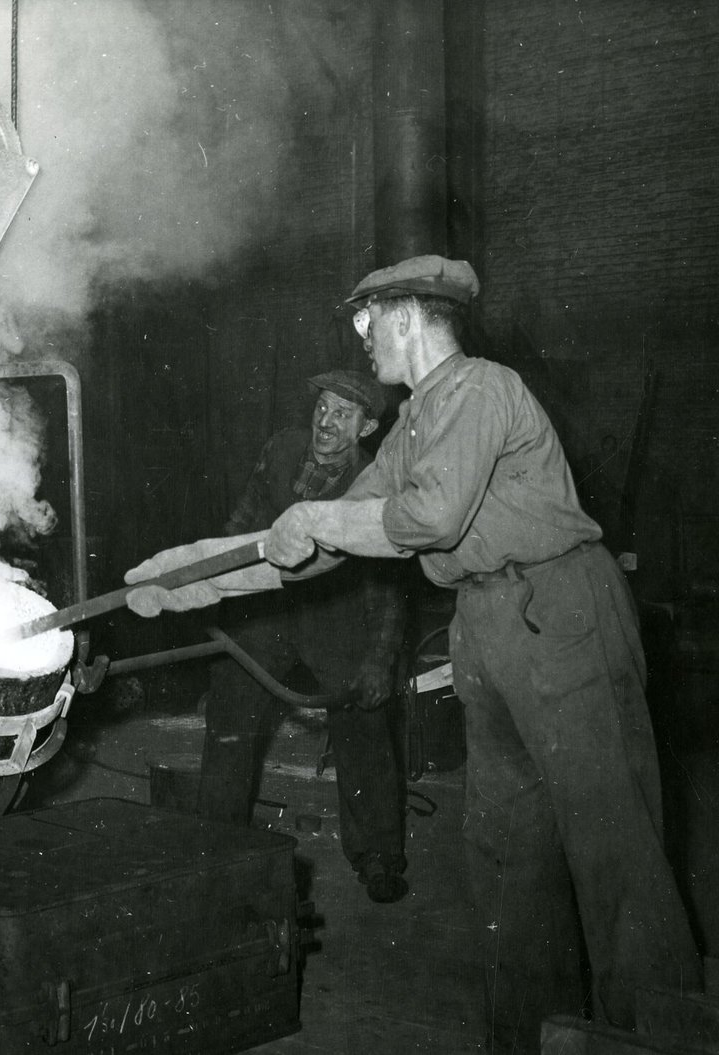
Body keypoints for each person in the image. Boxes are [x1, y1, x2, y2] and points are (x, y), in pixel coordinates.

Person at [123, 255, 701, 1053]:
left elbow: (426, 518)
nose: (361, 338)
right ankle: (527, 1035)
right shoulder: (414, 423)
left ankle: (657, 1033)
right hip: (488, 625)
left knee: (612, 844)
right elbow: (327, 536)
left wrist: (316, 522)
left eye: (367, 320)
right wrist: (191, 576)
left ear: (408, 315)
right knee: (508, 853)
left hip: (562, 611)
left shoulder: (482, 389)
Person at [202, 370, 410, 903]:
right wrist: (211, 583)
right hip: (267, 608)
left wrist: (378, 662)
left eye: (344, 414)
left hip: (333, 613)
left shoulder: (375, 483)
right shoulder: (282, 449)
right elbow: (242, 523)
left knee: (364, 719)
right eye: (323, 407)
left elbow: (386, 587)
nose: (326, 421)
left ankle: (378, 855)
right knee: (230, 707)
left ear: (366, 428)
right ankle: (215, 844)